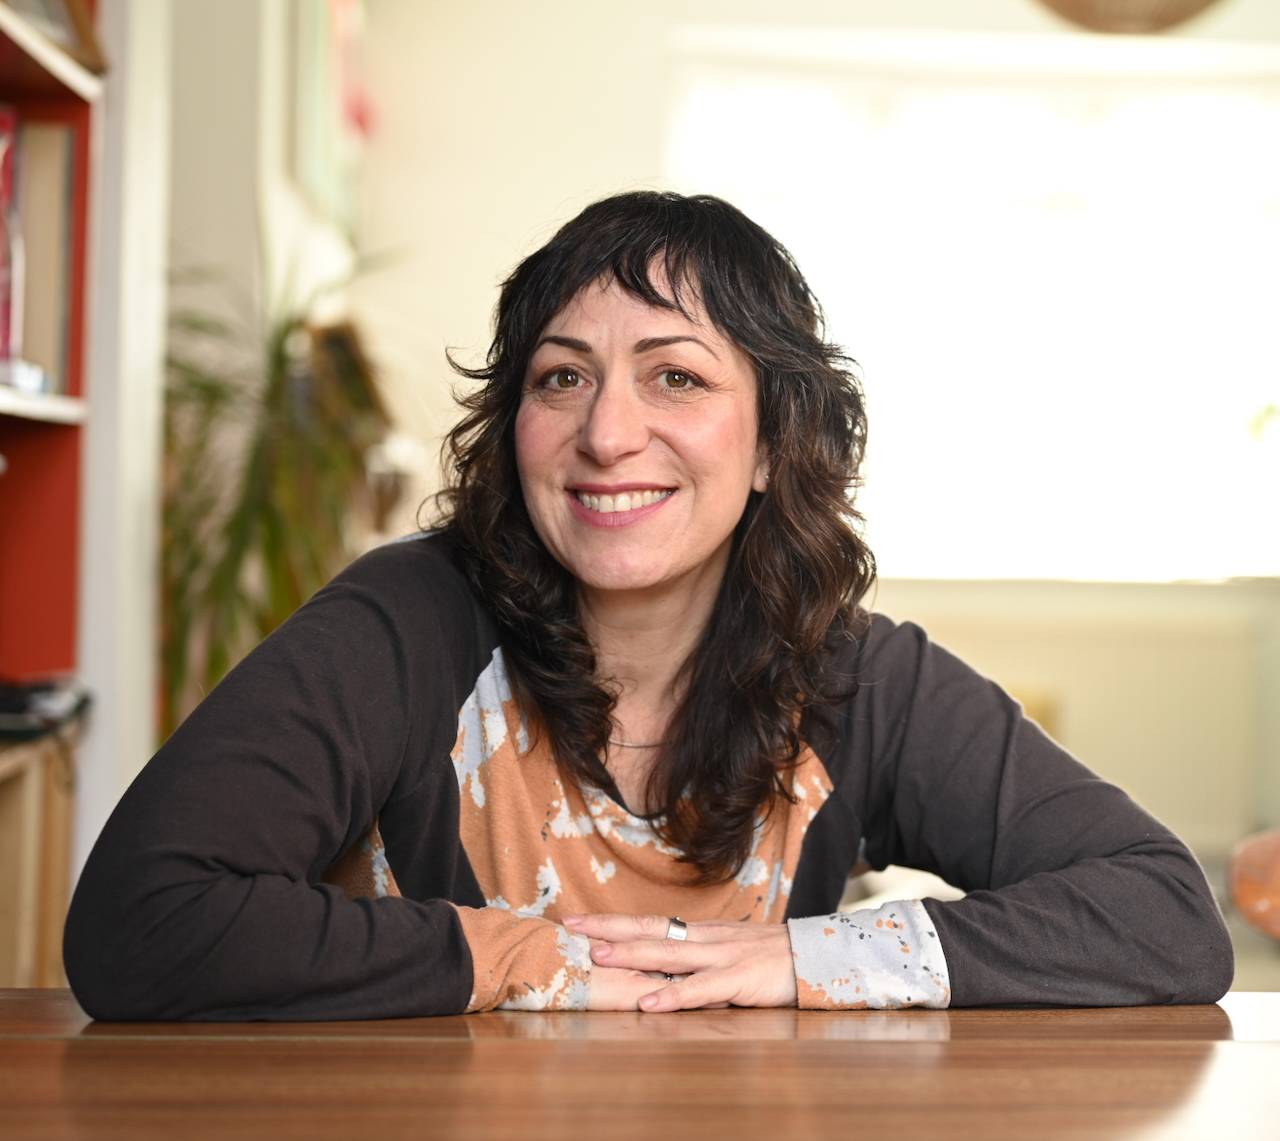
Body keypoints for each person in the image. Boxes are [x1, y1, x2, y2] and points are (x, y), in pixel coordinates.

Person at [63, 191, 1233, 1020]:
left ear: (775, 441)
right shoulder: (403, 626)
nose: (607, 433)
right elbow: (139, 922)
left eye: (674, 375)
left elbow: (1161, 911)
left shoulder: (852, 675)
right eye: (560, 376)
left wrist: (805, 957)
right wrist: (522, 954)